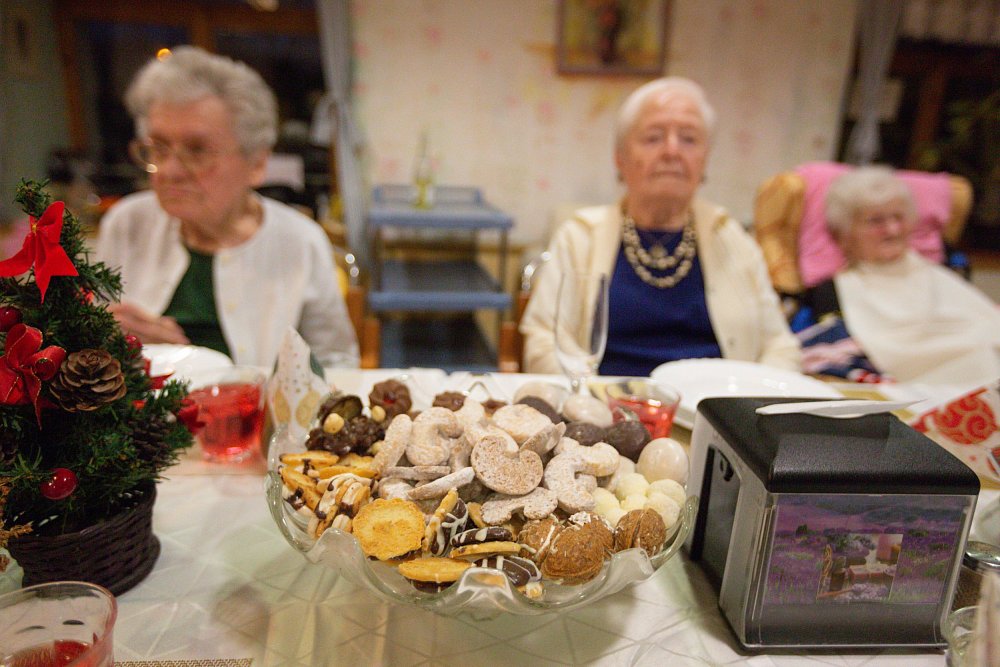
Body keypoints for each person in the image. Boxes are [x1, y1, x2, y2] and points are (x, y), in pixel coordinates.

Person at [95, 46, 358, 369]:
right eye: (159, 148)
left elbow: (336, 363)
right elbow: (81, 344)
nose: (169, 171)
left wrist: (185, 362)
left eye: (197, 150)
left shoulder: (300, 242)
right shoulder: (127, 224)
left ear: (256, 162)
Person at [520, 77, 800, 376]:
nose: (672, 151)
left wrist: (750, 394)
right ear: (620, 158)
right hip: (604, 400)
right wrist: (591, 396)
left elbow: (781, 347)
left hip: (714, 402)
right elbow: (542, 342)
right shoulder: (579, 237)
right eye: (653, 138)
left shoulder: (732, 238)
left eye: (689, 139)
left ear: (704, 159)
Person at [799, 165, 1000, 385]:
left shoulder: (941, 273)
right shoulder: (833, 291)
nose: (893, 230)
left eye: (899, 217)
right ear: (844, 232)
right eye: (876, 221)